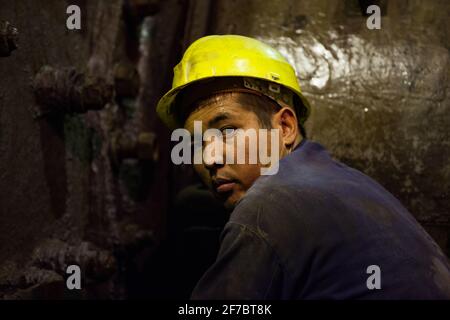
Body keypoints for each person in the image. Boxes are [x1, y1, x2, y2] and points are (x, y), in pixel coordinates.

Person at [156, 35, 450, 299]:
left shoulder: (267, 207)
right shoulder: (348, 182)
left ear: (284, 127)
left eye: (228, 130)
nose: (210, 158)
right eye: (195, 144)